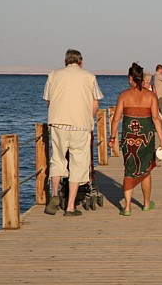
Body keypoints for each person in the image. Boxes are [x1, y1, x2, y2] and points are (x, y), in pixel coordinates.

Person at [43, 49, 104, 216]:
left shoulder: (53, 75)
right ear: (81, 62)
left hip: (58, 123)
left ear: (65, 61)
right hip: (80, 126)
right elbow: (95, 104)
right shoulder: (89, 77)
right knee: (78, 163)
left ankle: (54, 194)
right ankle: (70, 206)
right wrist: (87, 118)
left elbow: (49, 100)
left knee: (57, 159)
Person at [109, 63, 162, 216]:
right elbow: (156, 118)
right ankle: (146, 204)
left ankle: (127, 207)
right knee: (146, 171)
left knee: (129, 169)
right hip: (146, 138)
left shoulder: (124, 96)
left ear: (130, 78)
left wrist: (112, 137)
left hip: (128, 139)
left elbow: (116, 119)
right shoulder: (150, 96)